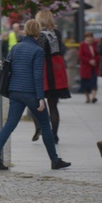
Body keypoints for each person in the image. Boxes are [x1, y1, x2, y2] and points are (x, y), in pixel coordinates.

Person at [0, 19, 71, 170]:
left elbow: (8, 67)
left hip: (14, 91)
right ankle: (55, 160)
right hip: (30, 93)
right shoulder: (38, 51)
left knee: (9, 125)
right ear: (38, 32)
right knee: (45, 125)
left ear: (25, 31)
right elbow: (37, 75)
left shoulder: (15, 47)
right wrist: (40, 98)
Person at [32, 10, 71, 144]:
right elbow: (60, 49)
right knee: (53, 106)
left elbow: (38, 52)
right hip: (56, 69)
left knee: (37, 103)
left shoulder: (39, 35)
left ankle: (39, 128)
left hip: (43, 69)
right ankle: (55, 135)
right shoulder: (57, 33)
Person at [79, 32, 100, 104]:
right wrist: (89, 61)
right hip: (86, 67)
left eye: (90, 40)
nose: (89, 42)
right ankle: (87, 97)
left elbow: (98, 54)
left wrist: (95, 60)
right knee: (86, 83)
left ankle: (93, 97)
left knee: (94, 82)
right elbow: (81, 56)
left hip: (94, 67)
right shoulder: (82, 45)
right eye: (87, 40)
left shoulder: (95, 45)